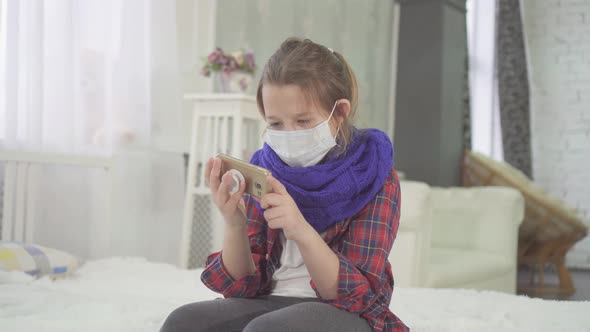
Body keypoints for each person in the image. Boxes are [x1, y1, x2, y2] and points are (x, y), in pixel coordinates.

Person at [160, 37, 409, 332]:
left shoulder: (373, 173)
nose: (289, 134)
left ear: (339, 112)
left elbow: (356, 296)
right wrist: (234, 222)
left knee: (267, 330)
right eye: (276, 124)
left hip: (343, 311)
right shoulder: (265, 168)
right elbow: (242, 286)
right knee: (184, 322)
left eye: (303, 121)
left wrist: (300, 228)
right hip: (271, 302)